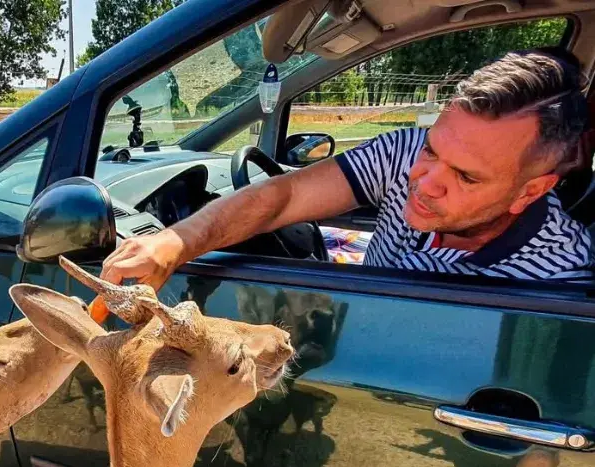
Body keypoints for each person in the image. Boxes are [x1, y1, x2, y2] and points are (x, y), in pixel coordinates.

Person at [101, 49, 593, 287]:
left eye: (466, 177)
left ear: (532, 191)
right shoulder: (405, 152)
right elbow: (287, 196)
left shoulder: (558, 277)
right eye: (433, 150)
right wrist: (175, 242)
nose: (424, 180)